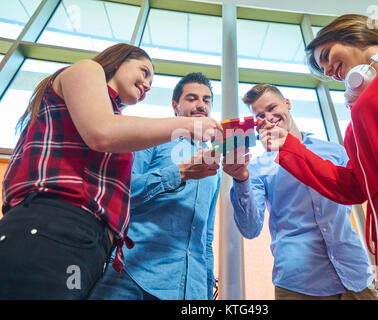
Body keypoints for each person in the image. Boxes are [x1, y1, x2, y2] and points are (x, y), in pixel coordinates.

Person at [0, 44, 222, 299]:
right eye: (144, 71)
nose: (148, 85)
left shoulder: (120, 128)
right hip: (52, 225)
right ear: (119, 61)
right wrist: (188, 129)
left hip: (91, 245)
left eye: (151, 80)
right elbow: (102, 133)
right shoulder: (86, 69)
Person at [259, 15, 378, 300]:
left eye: (326, 55)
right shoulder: (354, 129)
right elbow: (349, 187)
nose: (329, 70)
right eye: (324, 70)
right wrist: (289, 148)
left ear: (350, 32)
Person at [223, 84, 378, 300]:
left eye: (272, 107)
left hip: (356, 274)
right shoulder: (257, 168)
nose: (268, 118)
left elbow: (357, 193)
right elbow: (250, 229)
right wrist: (241, 179)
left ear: (287, 103)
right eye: (260, 115)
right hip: (299, 283)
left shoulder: (334, 151)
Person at [89, 72, 221, 300]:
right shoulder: (154, 139)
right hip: (132, 275)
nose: (201, 105)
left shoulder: (213, 165)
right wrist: (179, 173)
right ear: (175, 106)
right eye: (192, 98)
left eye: (206, 100)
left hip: (192, 289)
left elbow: (206, 236)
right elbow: (121, 194)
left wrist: (207, 289)